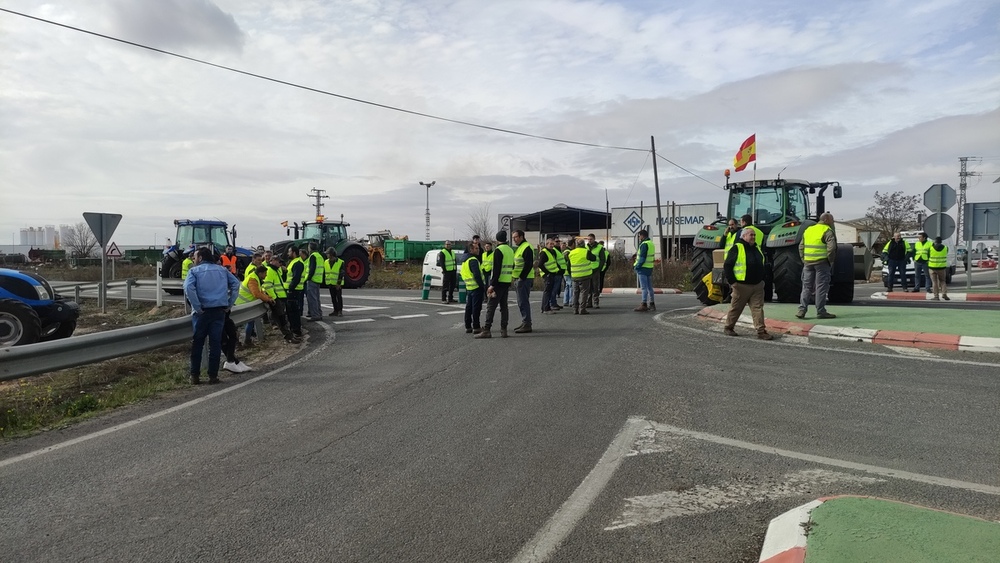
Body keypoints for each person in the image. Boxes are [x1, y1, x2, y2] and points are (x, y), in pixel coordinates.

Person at [183, 247, 240, 384]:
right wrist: (229, 304)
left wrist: (196, 306)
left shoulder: (194, 271)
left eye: (195, 257)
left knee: (198, 343)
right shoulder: (222, 270)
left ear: (201, 258)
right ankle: (213, 376)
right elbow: (236, 284)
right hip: (219, 311)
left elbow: (188, 288)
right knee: (215, 344)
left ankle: (194, 376)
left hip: (202, 312)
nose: (194, 259)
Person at [723, 229, 772, 339]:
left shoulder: (757, 248)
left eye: (754, 235)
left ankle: (761, 331)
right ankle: (728, 327)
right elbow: (727, 265)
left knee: (758, 308)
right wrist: (733, 282)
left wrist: (762, 279)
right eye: (751, 235)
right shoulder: (737, 248)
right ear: (744, 236)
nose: (753, 237)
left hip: (757, 285)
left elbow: (762, 264)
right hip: (741, 286)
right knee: (736, 308)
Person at [797, 212, 838, 319]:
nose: (832, 222)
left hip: (808, 263)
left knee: (806, 287)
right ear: (826, 220)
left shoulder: (808, 230)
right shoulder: (827, 231)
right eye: (832, 220)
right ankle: (821, 311)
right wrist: (830, 261)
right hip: (822, 263)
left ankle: (802, 310)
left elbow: (801, 247)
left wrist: (804, 259)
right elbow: (832, 248)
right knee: (821, 287)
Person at [475, 230, 515, 339]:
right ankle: (504, 330)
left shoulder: (498, 250)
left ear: (497, 240)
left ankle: (487, 329)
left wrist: (492, 284)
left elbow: (496, 269)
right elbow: (513, 265)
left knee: (491, 306)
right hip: (506, 281)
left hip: (498, 282)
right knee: (504, 307)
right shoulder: (510, 250)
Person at [262, 256, 299, 343]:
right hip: (276, 298)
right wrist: (274, 298)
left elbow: (280, 281)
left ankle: (289, 335)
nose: (280, 263)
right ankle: (288, 336)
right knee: (281, 318)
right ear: (273, 261)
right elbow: (267, 285)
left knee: (281, 317)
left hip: (280, 297)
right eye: (279, 261)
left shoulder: (276, 270)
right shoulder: (269, 270)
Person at [511, 230, 534, 333]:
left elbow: (528, 264)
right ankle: (525, 322)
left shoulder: (526, 247)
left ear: (521, 237)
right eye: (513, 237)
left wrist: (521, 277)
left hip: (523, 279)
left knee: (523, 301)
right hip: (520, 278)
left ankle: (527, 323)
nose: (514, 239)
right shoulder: (520, 247)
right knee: (521, 302)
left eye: (516, 237)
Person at [461, 240, 485, 333]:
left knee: (469, 307)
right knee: (476, 308)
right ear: (471, 250)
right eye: (476, 248)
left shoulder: (464, 260)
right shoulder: (473, 260)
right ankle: (476, 326)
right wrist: (482, 286)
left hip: (469, 287)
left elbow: (463, 274)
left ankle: (468, 326)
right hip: (476, 287)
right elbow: (477, 275)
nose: (478, 250)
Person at [285, 247, 308, 338]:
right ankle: (294, 329)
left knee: (293, 312)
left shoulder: (297, 263)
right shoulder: (294, 262)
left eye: (289, 251)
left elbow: (296, 278)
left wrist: (290, 288)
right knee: (291, 312)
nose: (288, 253)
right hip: (293, 290)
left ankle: (296, 331)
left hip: (294, 291)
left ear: (293, 252)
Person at [568, 238, 596, 314]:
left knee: (575, 292)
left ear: (576, 245)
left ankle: (575, 309)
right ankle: (582, 309)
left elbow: (569, 264)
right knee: (584, 293)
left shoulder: (571, 253)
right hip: (585, 276)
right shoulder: (586, 252)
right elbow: (594, 258)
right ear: (584, 244)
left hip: (574, 276)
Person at [536, 237, 563, 314]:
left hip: (552, 274)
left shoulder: (550, 251)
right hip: (548, 275)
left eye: (553, 244)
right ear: (546, 244)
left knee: (549, 291)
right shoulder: (544, 252)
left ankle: (547, 307)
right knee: (547, 292)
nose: (552, 245)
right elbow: (540, 264)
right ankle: (545, 308)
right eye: (550, 244)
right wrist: (547, 273)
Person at [633, 229, 656, 311]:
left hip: (642, 268)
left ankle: (644, 304)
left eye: (639, 236)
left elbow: (642, 258)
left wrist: (637, 266)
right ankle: (652, 304)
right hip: (649, 268)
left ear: (642, 236)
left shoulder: (644, 244)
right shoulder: (651, 244)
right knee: (650, 287)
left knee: (644, 287)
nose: (639, 237)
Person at [304, 242, 325, 321]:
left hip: (312, 279)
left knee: (312, 299)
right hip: (318, 279)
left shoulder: (312, 256)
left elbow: (312, 269)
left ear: (310, 248)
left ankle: (315, 315)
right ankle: (318, 313)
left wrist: (308, 278)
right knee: (316, 298)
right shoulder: (320, 256)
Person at [928, 236, 950, 301]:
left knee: (934, 282)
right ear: (941, 241)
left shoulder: (931, 248)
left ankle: (936, 296)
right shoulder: (946, 248)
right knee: (942, 281)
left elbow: (928, 255)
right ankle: (944, 294)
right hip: (941, 267)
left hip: (932, 267)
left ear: (935, 241)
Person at [324, 247, 345, 316]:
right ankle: (335, 310)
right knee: (333, 298)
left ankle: (340, 311)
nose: (327, 255)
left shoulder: (340, 262)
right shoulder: (326, 262)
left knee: (338, 297)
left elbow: (341, 273)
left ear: (331, 254)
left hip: (337, 283)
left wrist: (338, 284)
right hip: (330, 282)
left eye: (328, 254)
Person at [561, 240, 573, 307]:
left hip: (565, 272)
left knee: (567, 286)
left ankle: (566, 301)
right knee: (571, 286)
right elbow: (569, 263)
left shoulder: (564, 252)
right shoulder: (568, 252)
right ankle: (571, 301)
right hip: (568, 272)